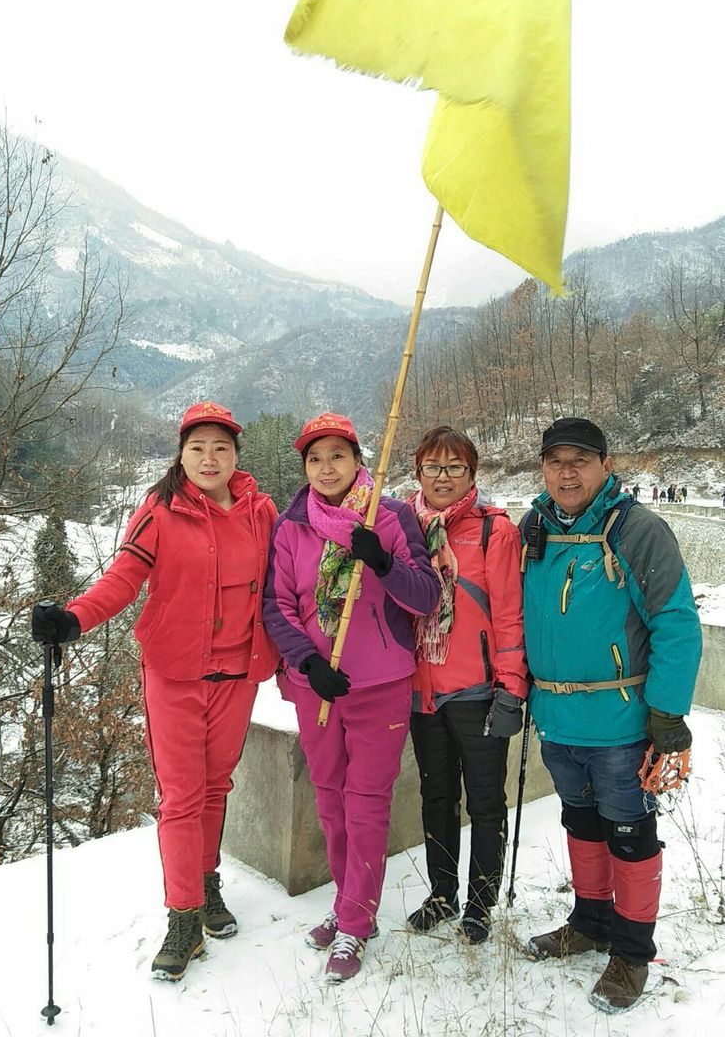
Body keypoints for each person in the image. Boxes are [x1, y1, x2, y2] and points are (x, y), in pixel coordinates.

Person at [31, 402, 278, 981]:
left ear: (236, 454)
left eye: (221, 447)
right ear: (182, 454)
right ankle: (184, 914)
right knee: (181, 796)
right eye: (198, 448)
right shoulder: (160, 511)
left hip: (237, 675)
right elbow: (123, 578)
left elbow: (283, 583)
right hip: (174, 674)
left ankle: (208, 883)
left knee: (217, 786)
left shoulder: (259, 512)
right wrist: (73, 619)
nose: (210, 458)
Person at [521, 418, 702, 1013]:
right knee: (581, 822)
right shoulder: (534, 527)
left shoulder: (638, 529)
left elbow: (675, 622)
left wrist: (668, 713)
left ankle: (631, 950)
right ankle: (591, 921)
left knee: (630, 831)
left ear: (604, 464)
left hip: (622, 722)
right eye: (555, 461)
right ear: (543, 468)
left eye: (580, 460)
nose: (566, 472)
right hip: (558, 717)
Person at [263, 412, 438, 983]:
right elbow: (277, 607)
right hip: (317, 687)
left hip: (380, 684)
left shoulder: (388, 517)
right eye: (315, 458)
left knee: (366, 803)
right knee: (330, 800)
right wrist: (308, 662)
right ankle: (347, 905)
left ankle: (356, 922)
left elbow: (425, 598)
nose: (326, 467)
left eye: (337, 455)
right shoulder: (292, 527)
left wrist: (382, 561)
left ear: (359, 460)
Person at [405, 427, 528, 944]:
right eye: (433, 466)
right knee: (436, 797)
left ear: (473, 474)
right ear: (418, 472)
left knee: (484, 802)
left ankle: (480, 902)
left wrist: (512, 686)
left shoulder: (493, 530)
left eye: (455, 467)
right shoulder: (404, 526)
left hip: (477, 691)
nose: (443, 477)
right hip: (420, 691)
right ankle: (441, 894)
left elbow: (509, 615)